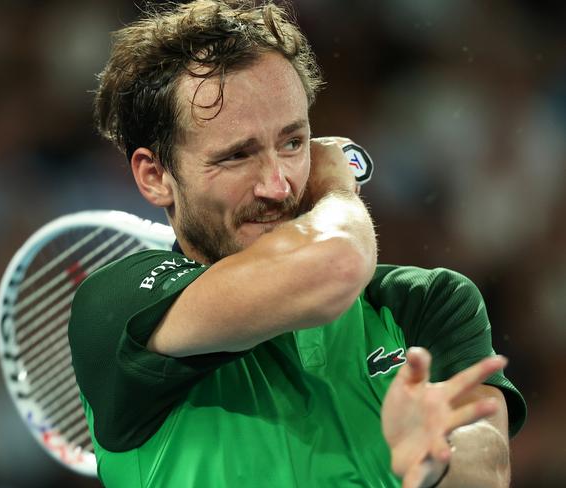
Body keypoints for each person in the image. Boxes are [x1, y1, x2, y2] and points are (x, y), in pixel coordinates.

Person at [68, 1, 526, 486]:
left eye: (292, 143)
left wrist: (437, 465)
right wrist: (335, 185)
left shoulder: (426, 302)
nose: (278, 185)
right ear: (156, 176)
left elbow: (488, 463)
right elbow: (335, 266)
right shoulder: (114, 309)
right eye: (237, 155)